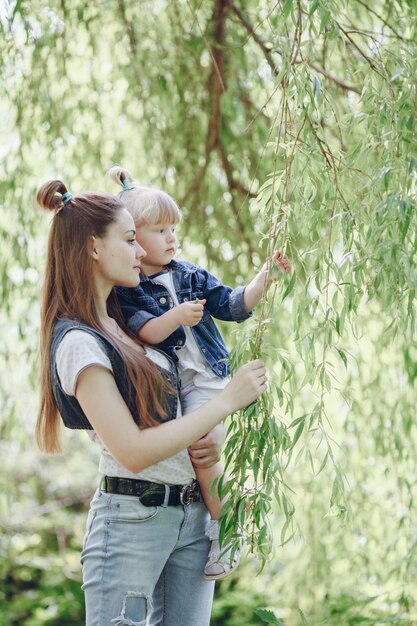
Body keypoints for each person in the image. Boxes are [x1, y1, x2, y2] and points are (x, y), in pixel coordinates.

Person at [36, 179, 267, 626]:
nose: (141, 250)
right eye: (128, 239)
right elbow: (133, 450)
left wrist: (211, 440)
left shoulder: (128, 324)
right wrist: (225, 403)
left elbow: (179, 412)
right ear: (93, 248)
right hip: (131, 524)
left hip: (191, 516)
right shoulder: (80, 342)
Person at [109, 166, 291, 580]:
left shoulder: (191, 274)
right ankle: (206, 517)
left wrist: (264, 279)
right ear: (134, 238)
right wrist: (176, 314)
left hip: (207, 379)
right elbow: (147, 330)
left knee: (204, 449)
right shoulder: (128, 288)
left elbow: (232, 305)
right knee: (184, 449)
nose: (172, 238)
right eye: (159, 230)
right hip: (172, 386)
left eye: (174, 228)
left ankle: (225, 529)